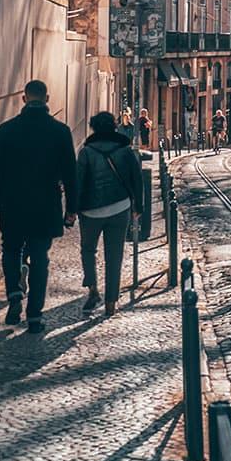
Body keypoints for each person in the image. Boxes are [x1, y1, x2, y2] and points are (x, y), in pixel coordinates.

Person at [0, 79, 77, 333]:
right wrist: (72, 208)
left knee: (11, 249)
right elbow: (70, 174)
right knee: (39, 259)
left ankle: (14, 294)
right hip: (45, 206)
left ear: (24, 99)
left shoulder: (6, 130)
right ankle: (35, 315)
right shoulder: (60, 131)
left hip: (12, 203)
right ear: (47, 99)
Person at [76, 112, 144, 317]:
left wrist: (72, 210)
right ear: (114, 127)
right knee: (114, 255)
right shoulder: (125, 150)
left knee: (88, 249)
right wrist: (138, 207)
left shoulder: (86, 152)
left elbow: (78, 183)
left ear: (94, 128)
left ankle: (92, 288)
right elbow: (137, 179)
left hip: (90, 211)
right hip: (119, 207)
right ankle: (111, 303)